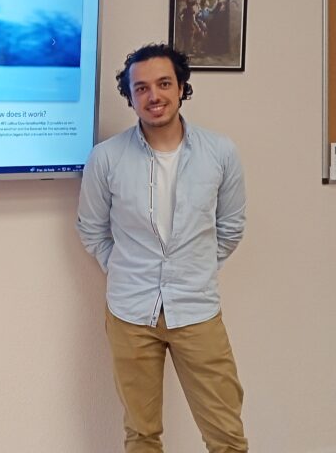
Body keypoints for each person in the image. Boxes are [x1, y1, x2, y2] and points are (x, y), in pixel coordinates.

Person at [77, 43, 247, 453]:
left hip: (197, 310)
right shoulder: (106, 158)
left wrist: (195, 268)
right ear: (130, 97)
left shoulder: (220, 152)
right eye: (142, 88)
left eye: (164, 83)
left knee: (226, 435)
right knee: (141, 434)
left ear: (182, 87)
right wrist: (122, 268)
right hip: (130, 314)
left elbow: (230, 227)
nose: (154, 95)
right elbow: (91, 228)